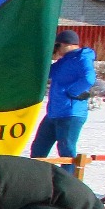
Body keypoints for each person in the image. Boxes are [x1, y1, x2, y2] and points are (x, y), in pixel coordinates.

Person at [30, 29, 95, 159]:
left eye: (57, 45)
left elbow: (89, 78)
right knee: (38, 149)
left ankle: (68, 178)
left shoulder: (82, 58)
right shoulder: (65, 60)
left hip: (70, 114)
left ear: (67, 44)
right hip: (54, 113)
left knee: (66, 152)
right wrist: (47, 56)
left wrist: (73, 91)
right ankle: (36, 178)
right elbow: (45, 73)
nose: (56, 49)